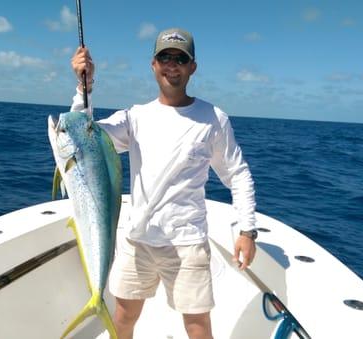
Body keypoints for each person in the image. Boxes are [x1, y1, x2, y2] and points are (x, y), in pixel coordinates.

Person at [69, 28, 257, 339]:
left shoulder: (213, 118)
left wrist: (247, 230)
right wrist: (84, 87)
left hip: (188, 243)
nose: (172, 65)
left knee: (197, 327)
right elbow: (82, 137)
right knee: (122, 317)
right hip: (137, 240)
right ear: (153, 64)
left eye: (180, 58)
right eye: (165, 57)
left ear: (192, 67)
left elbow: (237, 173)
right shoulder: (135, 116)